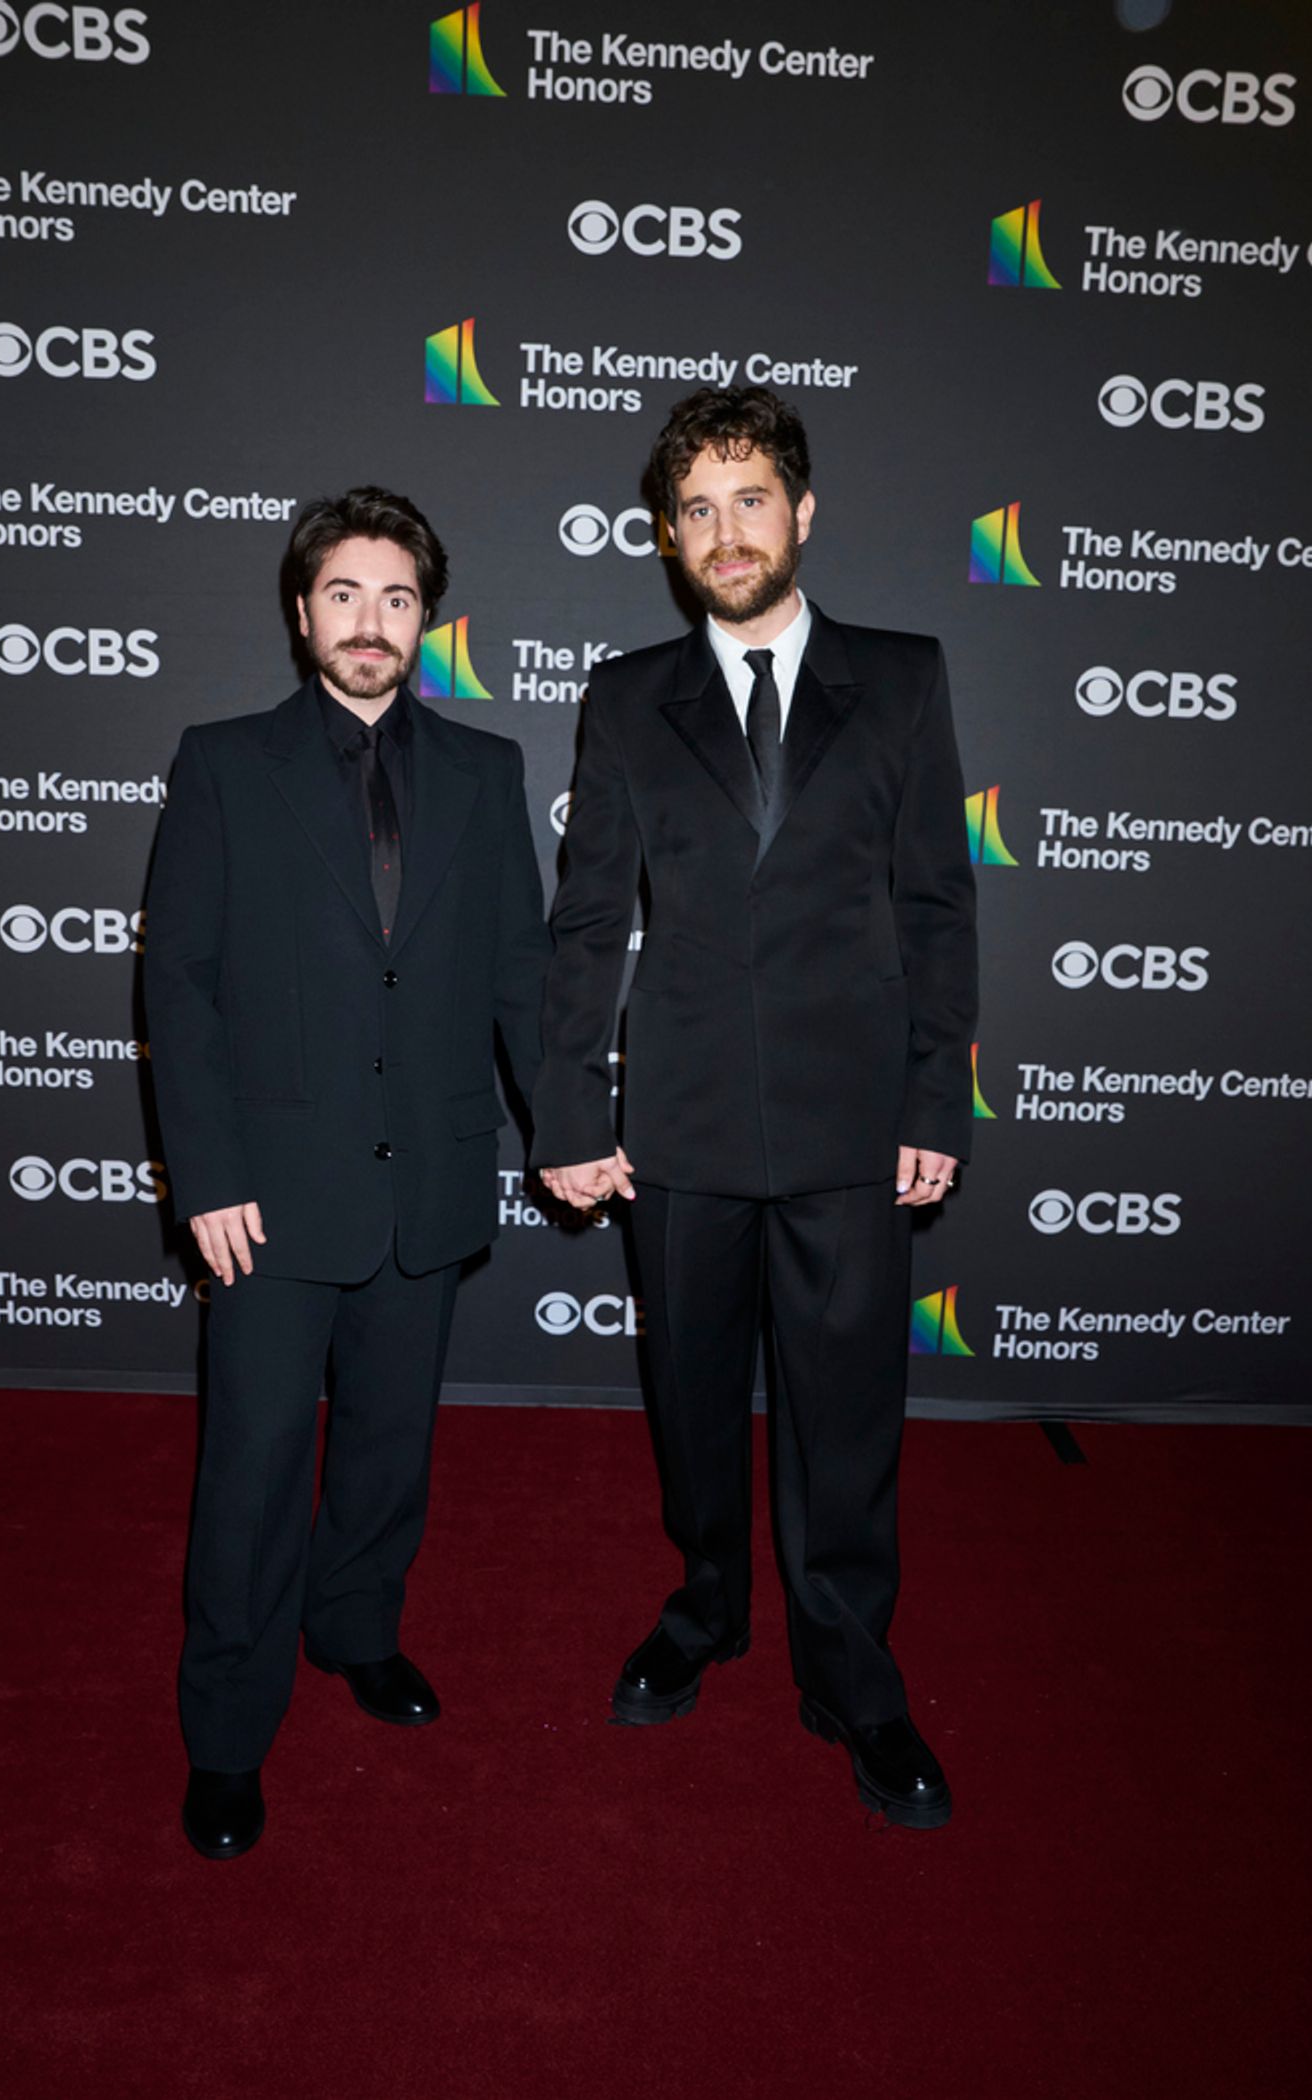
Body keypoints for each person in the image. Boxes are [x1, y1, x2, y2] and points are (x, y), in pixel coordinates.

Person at [533, 389, 976, 1829]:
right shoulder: (625, 698)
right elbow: (587, 920)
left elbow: (936, 902)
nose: (726, 532)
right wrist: (568, 1113)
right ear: (670, 538)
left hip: (854, 1123)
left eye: (751, 499)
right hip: (683, 1122)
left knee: (847, 1422)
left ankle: (851, 1672)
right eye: (697, 510)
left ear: (803, 511)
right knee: (692, 1399)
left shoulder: (902, 677)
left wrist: (935, 1097)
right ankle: (707, 1605)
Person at [145, 486, 548, 1858]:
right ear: (301, 610)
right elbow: (181, 983)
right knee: (253, 1469)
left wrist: (564, 1128)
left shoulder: (487, 770)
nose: (370, 622)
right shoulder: (223, 763)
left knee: (388, 1446)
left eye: (396, 598)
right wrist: (206, 1175)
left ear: (426, 618)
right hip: (265, 1195)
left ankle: (357, 1627)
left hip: (425, 1178)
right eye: (344, 594)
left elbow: (519, 974)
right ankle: (225, 1731)